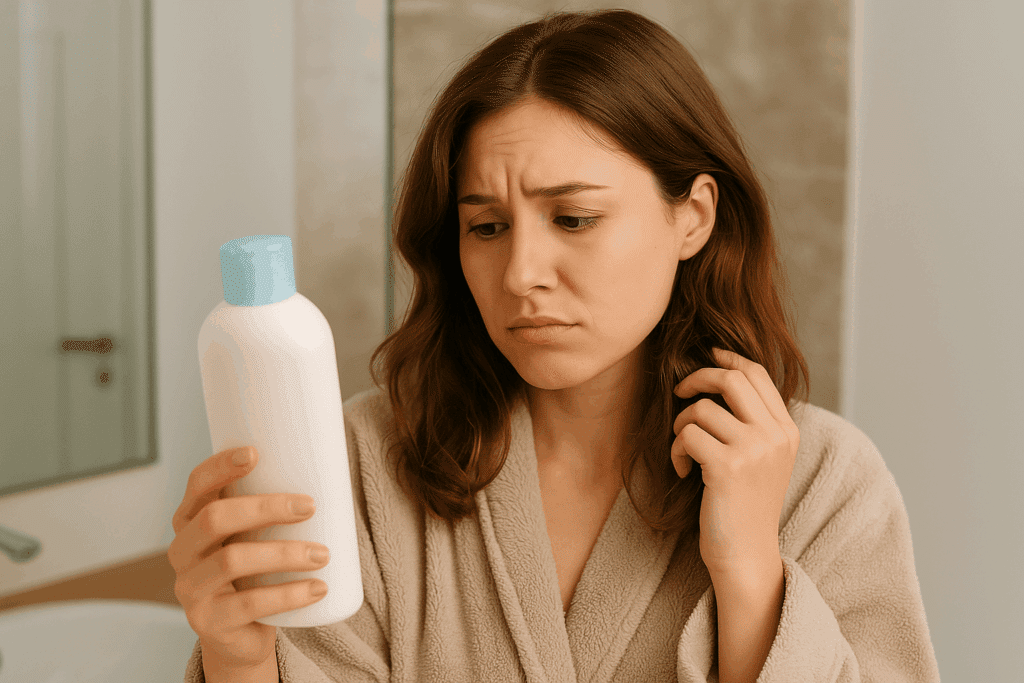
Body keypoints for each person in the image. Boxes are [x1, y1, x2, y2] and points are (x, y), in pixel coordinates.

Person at [173, 9, 940, 682]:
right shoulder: (366, 461)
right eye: (486, 226)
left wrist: (750, 572)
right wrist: (239, 658)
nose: (521, 274)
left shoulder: (825, 483)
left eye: (572, 218)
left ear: (693, 218)